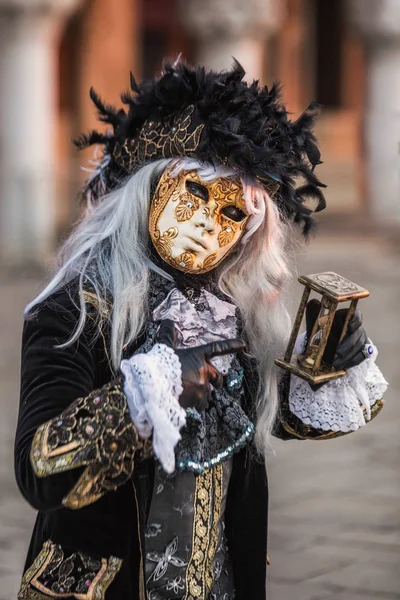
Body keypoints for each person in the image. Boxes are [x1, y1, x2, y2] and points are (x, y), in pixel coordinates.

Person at [15, 60, 388, 600]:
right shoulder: (78, 306)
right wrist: (146, 399)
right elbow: (39, 471)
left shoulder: (228, 309)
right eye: (195, 192)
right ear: (146, 193)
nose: (208, 223)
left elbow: (265, 417)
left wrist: (326, 362)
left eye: (234, 213)